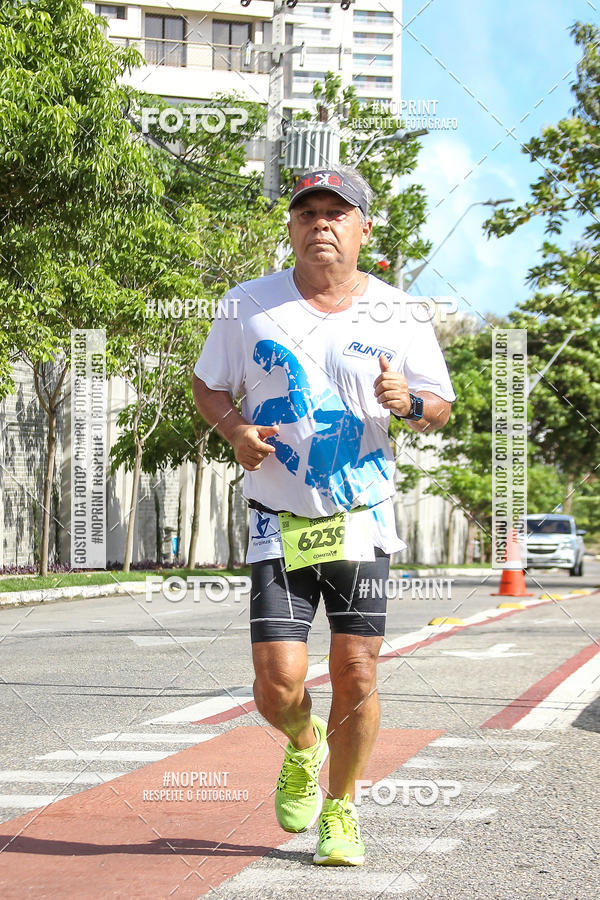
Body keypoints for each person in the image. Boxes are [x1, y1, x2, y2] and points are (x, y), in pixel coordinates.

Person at [192, 165, 455, 866]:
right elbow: (208, 383)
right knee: (278, 684)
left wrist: (411, 404)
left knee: (356, 671)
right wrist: (235, 431)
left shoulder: (402, 312)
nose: (321, 225)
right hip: (279, 518)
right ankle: (304, 746)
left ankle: (341, 810)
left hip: (361, 519)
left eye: (337, 214)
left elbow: (441, 407)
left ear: (364, 228)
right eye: (308, 213)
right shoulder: (247, 305)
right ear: (292, 227)